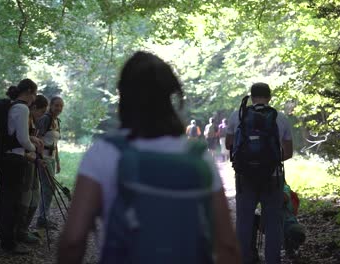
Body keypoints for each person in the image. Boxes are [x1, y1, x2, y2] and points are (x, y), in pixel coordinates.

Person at [58, 51, 240, 264]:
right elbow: (227, 246)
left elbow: (73, 240)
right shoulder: (199, 159)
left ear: (122, 94)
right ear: (169, 95)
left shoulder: (104, 154)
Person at [226, 82, 293, 264]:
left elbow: (228, 146)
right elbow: (288, 153)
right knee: (273, 223)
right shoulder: (280, 117)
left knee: (244, 222)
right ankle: (272, 260)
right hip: (273, 177)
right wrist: (269, 162)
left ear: (251, 96)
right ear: (270, 97)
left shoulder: (237, 115)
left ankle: (245, 259)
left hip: (244, 177)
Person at [0, 79, 44, 254]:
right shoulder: (22, 108)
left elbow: (15, 135)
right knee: (11, 203)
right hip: (14, 162)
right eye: (35, 94)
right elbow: (22, 139)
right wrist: (34, 149)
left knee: (4, 200)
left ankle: (6, 240)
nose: (35, 98)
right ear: (29, 91)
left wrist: (33, 140)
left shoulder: (13, 106)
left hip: (4, 159)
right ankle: (9, 244)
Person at [14, 94, 49, 245]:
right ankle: (19, 231)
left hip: (34, 162)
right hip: (26, 163)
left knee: (35, 194)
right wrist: (33, 156)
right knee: (26, 196)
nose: (42, 115)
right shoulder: (25, 117)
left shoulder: (32, 119)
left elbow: (30, 140)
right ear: (34, 107)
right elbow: (20, 143)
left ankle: (25, 229)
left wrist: (38, 156)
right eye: (41, 112)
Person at [36, 95, 64, 229]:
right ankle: (42, 218)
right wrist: (40, 158)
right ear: (50, 106)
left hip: (52, 158)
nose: (59, 108)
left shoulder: (57, 121)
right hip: (44, 158)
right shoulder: (45, 119)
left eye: (61, 106)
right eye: (56, 105)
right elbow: (38, 139)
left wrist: (57, 162)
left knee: (50, 188)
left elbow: (55, 144)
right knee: (48, 188)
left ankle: (43, 217)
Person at [283, 183, 305, 258]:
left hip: (287, 222)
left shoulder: (285, 188)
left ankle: (290, 249)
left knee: (296, 231)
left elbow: (285, 197)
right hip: (273, 223)